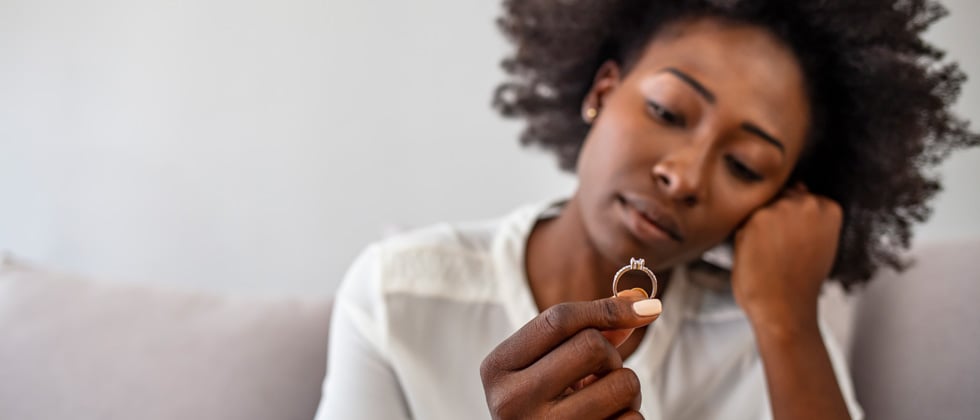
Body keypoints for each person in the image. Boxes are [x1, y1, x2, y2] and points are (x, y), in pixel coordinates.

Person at [315, 1, 978, 419]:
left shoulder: (769, 335)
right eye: (666, 112)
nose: (685, 176)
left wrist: (785, 325)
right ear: (603, 92)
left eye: (745, 165)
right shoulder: (401, 295)